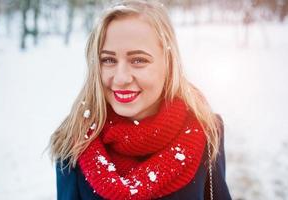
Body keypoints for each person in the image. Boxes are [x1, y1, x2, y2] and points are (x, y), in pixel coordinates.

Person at [49, 0, 232, 199]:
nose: (121, 78)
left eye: (138, 60)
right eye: (108, 60)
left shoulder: (206, 130)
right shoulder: (74, 141)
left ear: (168, 63)